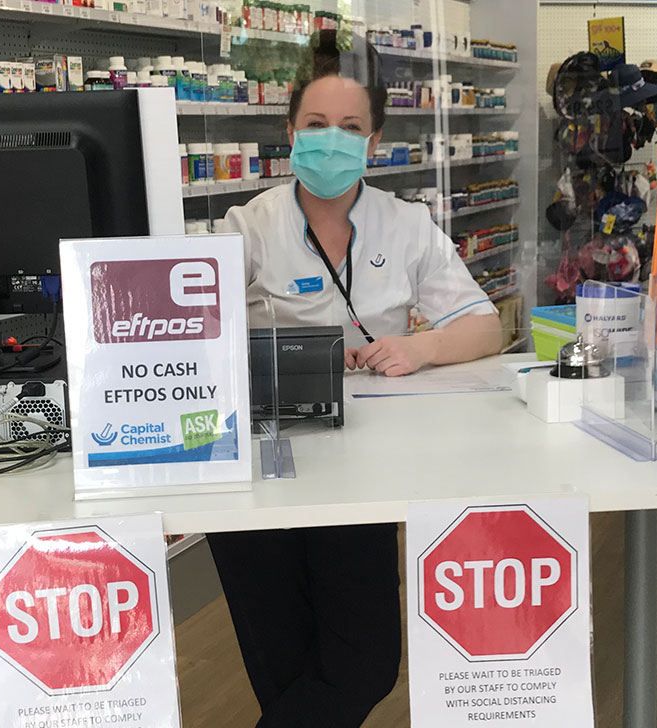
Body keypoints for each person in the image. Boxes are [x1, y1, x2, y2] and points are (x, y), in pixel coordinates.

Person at [206, 32, 504, 727]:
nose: (331, 142)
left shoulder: (406, 225)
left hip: (363, 467)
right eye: (315, 126)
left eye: (349, 129)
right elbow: (190, 327)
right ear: (289, 133)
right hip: (261, 466)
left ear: (373, 140)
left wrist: (420, 349)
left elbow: (483, 327)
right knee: (283, 673)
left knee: (365, 662)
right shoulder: (245, 227)